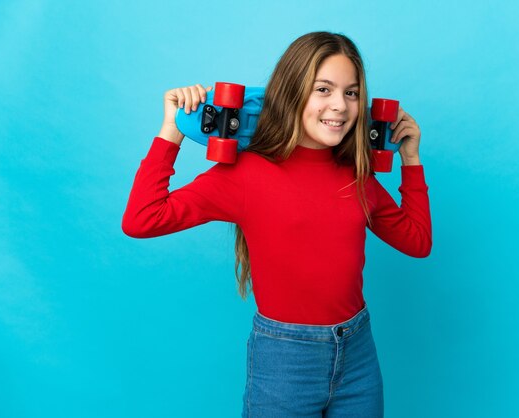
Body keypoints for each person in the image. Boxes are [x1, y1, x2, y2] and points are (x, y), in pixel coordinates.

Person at [122, 31, 431, 418]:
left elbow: (418, 242)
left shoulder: (358, 175)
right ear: (292, 92)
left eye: (352, 93)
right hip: (286, 361)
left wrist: (412, 159)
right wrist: (171, 129)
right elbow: (141, 219)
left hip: (358, 353)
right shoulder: (243, 175)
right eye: (324, 89)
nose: (340, 106)